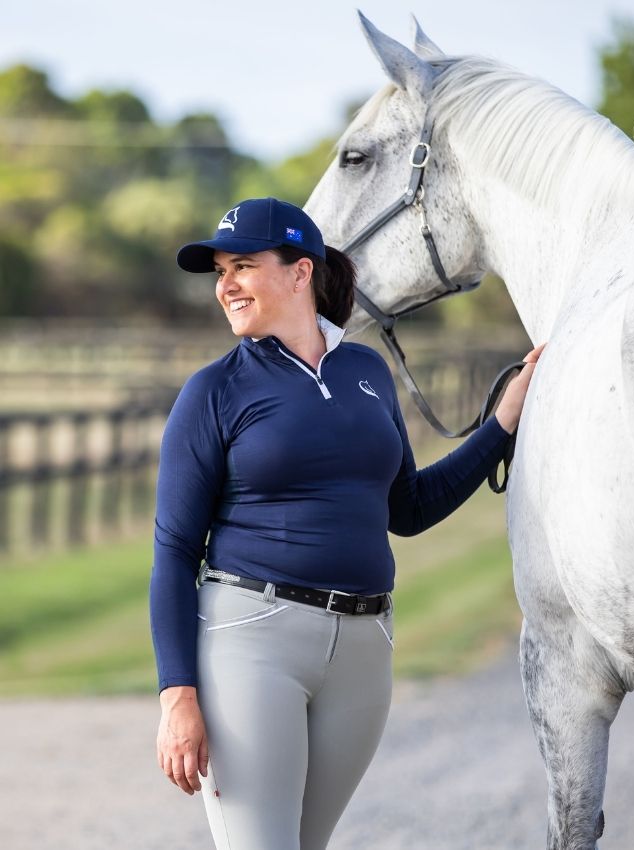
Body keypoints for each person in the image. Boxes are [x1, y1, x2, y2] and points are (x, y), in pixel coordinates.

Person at [149, 197, 543, 850]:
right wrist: (176, 696)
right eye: (220, 271)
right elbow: (173, 551)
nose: (225, 285)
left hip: (364, 653)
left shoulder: (366, 372)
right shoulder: (214, 391)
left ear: (300, 272)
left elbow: (408, 508)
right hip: (252, 645)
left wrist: (501, 424)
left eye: (242, 265)